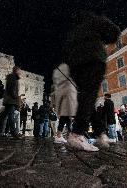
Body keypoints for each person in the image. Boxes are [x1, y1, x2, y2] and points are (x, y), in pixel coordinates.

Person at [63, 12, 121, 151]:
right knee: (89, 96)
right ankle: (77, 134)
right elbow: (114, 32)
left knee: (87, 98)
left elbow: (65, 52)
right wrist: (103, 40)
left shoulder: (74, 32)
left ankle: (100, 133)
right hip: (93, 59)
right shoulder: (96, 21)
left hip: (75, 65)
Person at [52, 63, 77, 144]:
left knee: (66, 121)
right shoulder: (63, 83)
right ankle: (60, 136)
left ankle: (62, 136)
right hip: (66, 106)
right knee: (65, 121)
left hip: (66, 106)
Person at [2, 66, 22, 139]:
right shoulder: (13, 77)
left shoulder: (13, 77)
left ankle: (0, 131)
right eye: (19, 71)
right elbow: (12, 89)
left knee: (4, 116)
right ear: (16, 71)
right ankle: (13, 132)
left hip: (9, 100)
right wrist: (16, 98)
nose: (20, 73)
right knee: (11, 116)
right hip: (11, 100)